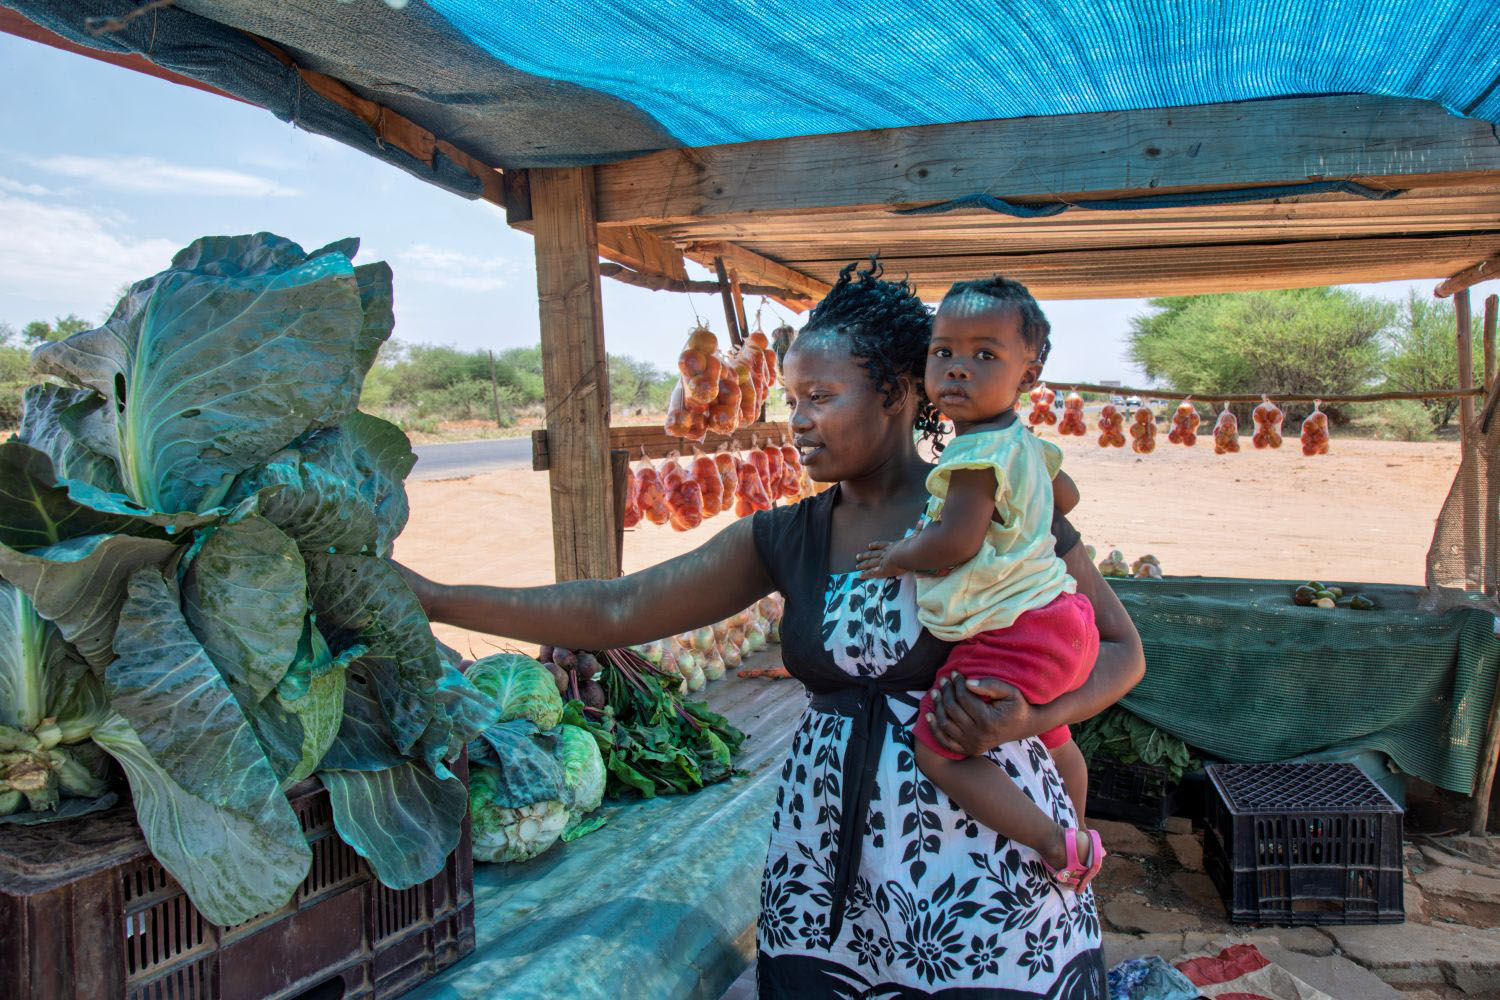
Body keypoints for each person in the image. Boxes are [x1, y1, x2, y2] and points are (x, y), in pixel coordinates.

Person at [396, 260, 1144, 997]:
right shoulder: (787, 538)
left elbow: (1120, 650)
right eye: (792, 399)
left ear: (897, 393)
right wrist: (435, 597)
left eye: (821, 396)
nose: (799, 422)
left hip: (986, 873)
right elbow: (615, 609)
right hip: (826, 876)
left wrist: (1036, 716)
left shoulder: (1007, 500)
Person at [854, 277, 1103, 889]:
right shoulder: (1026, 445)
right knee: (1055, 737)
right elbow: (1065, 497)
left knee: (941, 750)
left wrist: (901, 555)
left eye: (985, 355)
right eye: (944, 353)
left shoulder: (971, 457)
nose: (958, 370)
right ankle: (1076, 822)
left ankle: (1053, 841)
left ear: (1030, 372)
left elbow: (957, 542)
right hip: (1064, 618)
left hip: (1014, 631)